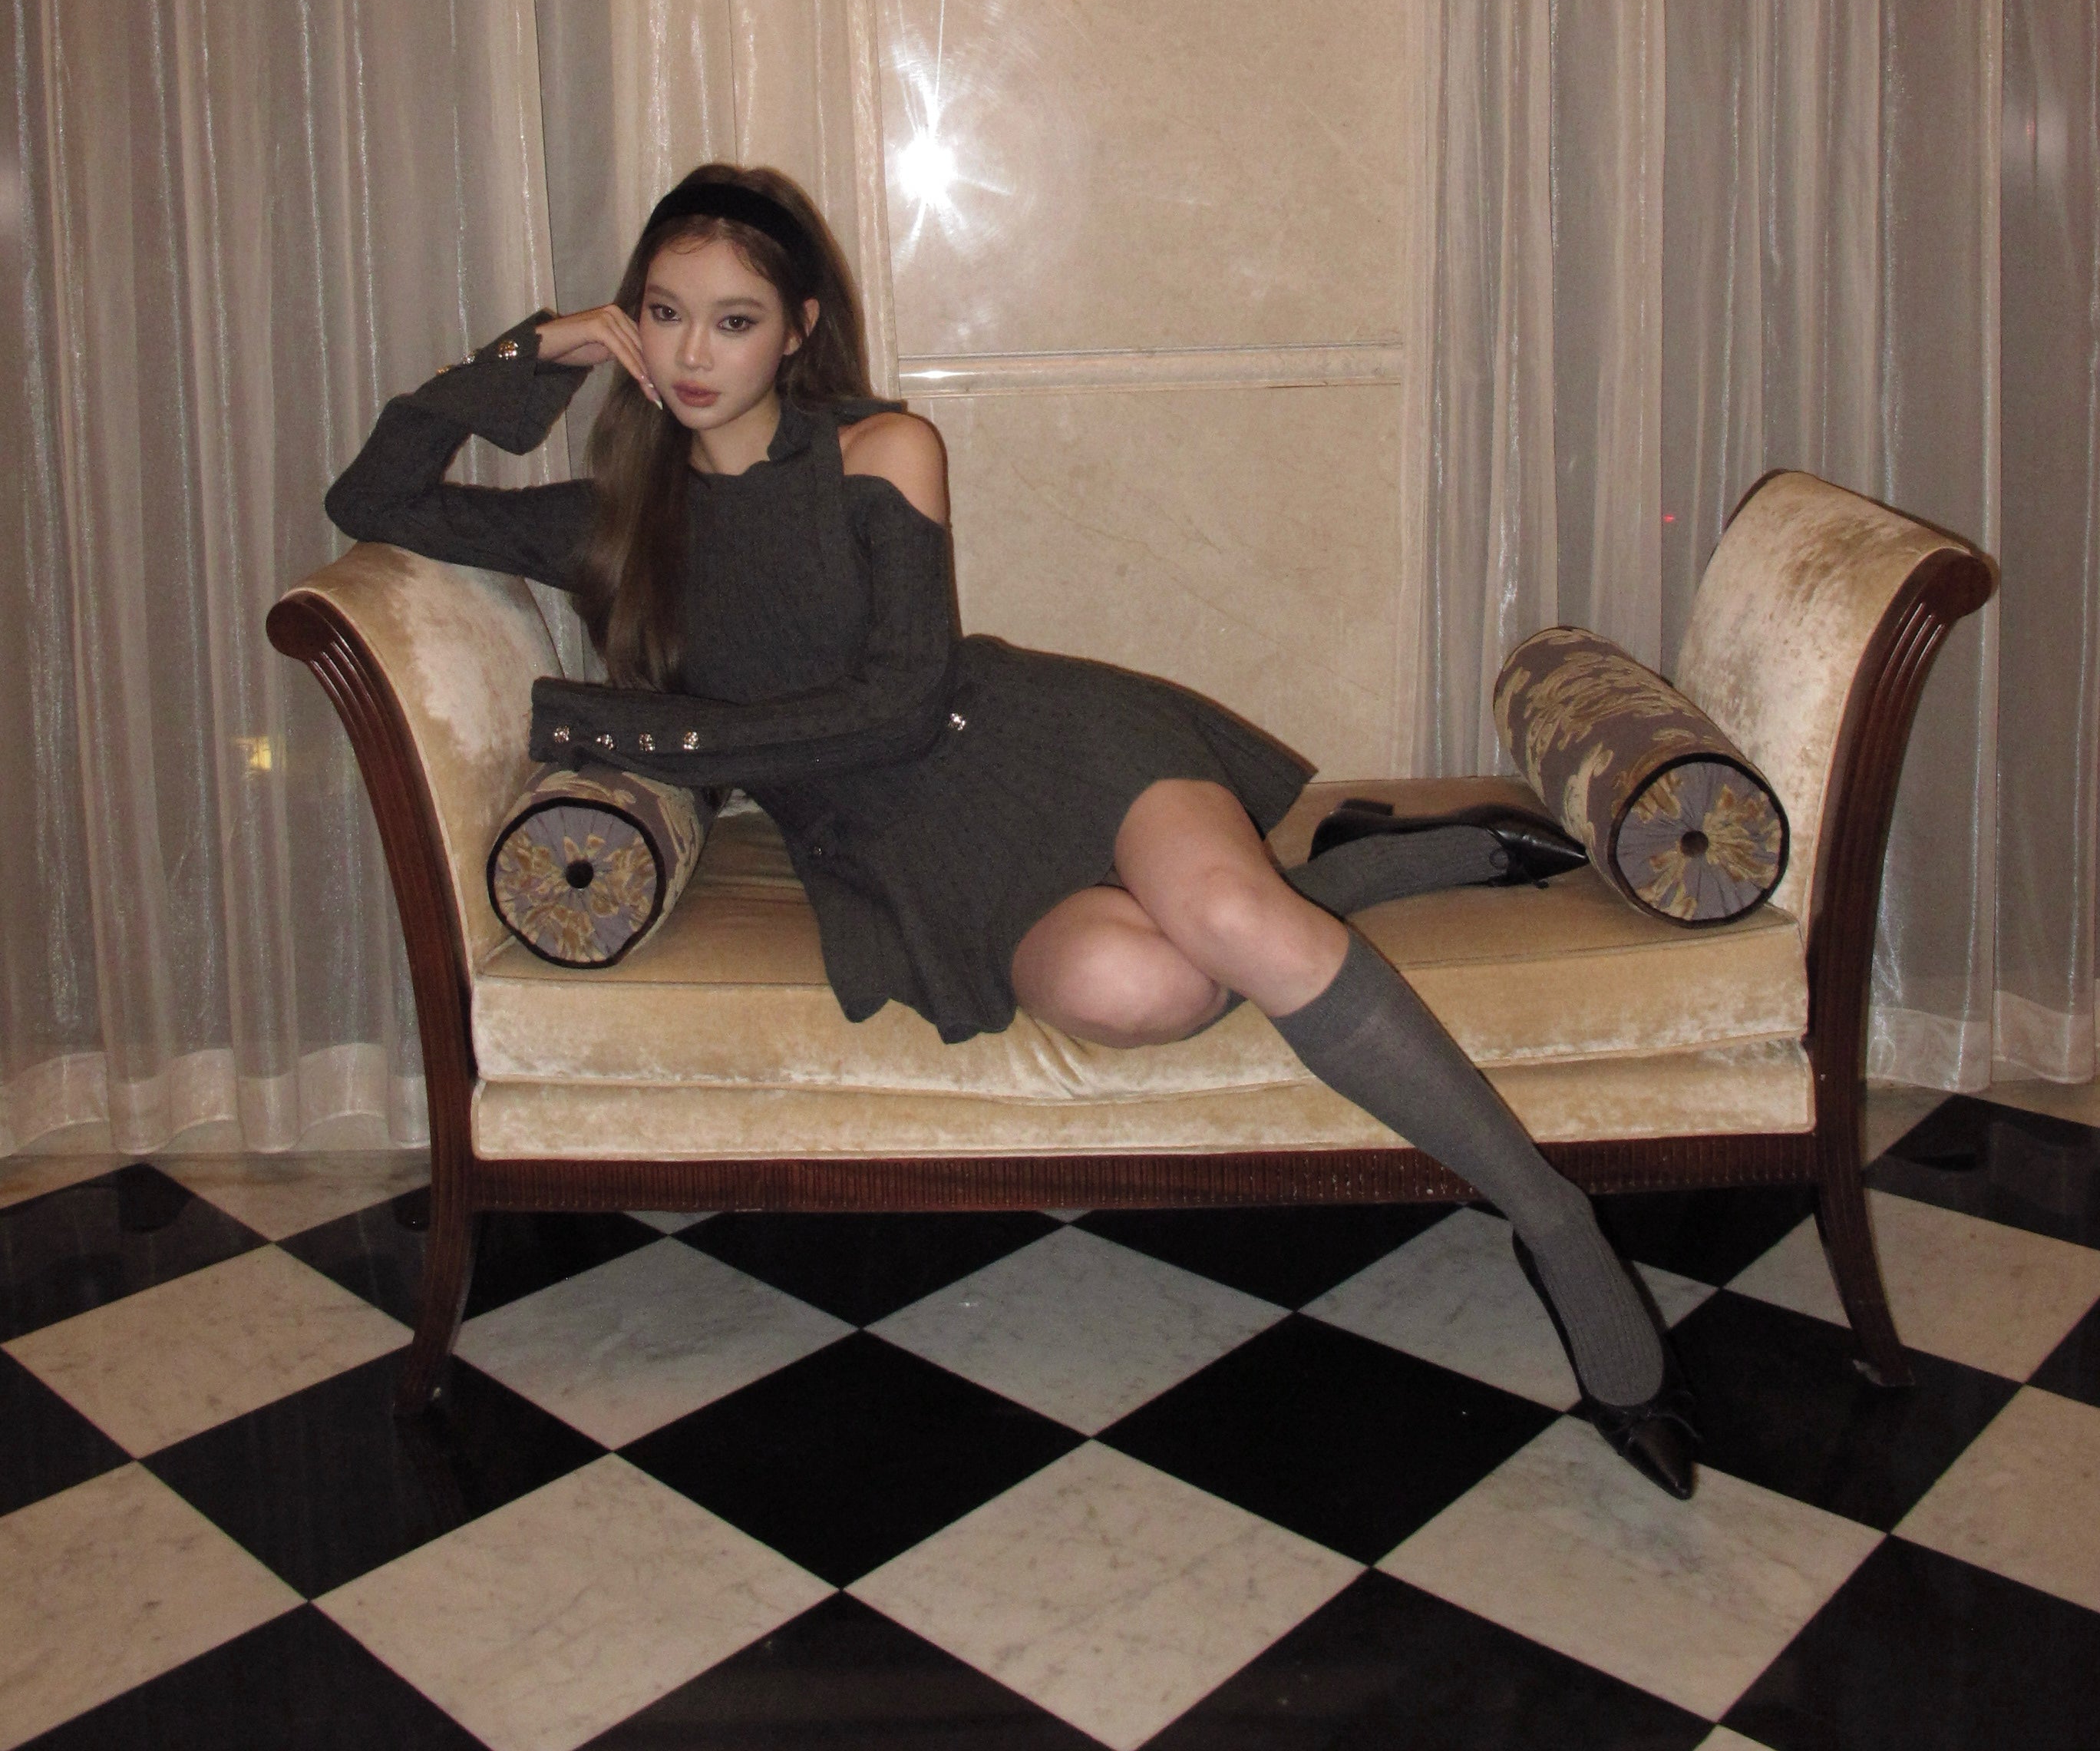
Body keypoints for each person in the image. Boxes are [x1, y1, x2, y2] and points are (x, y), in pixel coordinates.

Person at [327, 162, 1696, 1496]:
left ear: (798, 331)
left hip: (1041, 742)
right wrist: (541, 346)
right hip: (897, 846)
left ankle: (1558, 1230)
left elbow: (892, 709)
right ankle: (1356, 875)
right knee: (1142, 988)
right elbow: (371, 501)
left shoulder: (881, 449)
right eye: (663, 312)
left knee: (1229, 919)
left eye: (734, 319)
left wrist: (629, 732)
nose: (692, 352)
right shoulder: (615, 523)